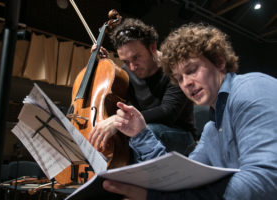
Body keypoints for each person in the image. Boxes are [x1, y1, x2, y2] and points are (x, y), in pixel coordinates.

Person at [102, 23, 277, 199]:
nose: (186, 83)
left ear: (219, 61)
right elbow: (180, 178)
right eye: (179, 79)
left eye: (192, 70)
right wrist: (140, 134)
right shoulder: (211, 130)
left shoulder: (252, 88)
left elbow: (264, 181)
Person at [89, 18, 196, 161]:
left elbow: (167, 112)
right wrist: (104, 67)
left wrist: (118, 120)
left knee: (145, 132)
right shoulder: (126, 72)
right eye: (126, 61)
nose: (132, 67)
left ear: (152, 47)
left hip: (180, 135)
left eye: (136, 58)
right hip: (144, 129)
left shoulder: (174, 68)